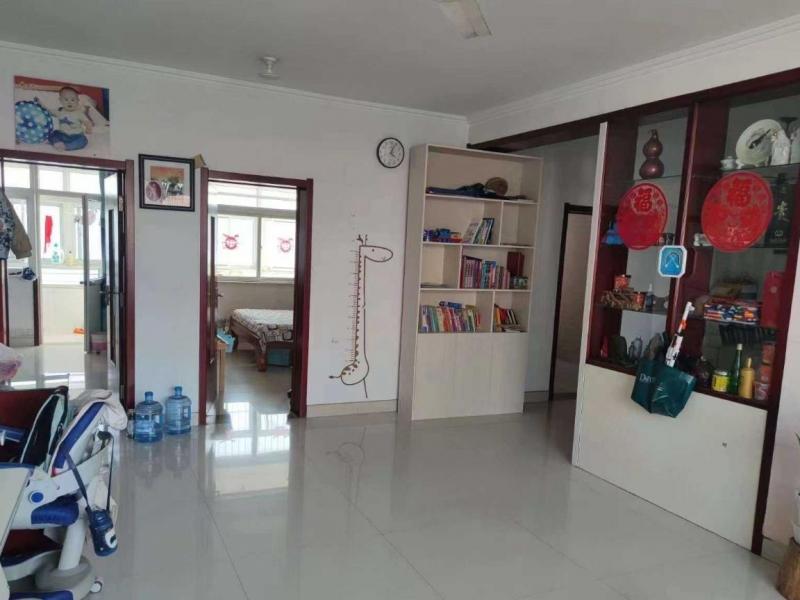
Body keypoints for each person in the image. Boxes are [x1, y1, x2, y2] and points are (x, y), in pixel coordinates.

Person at [47, 86, 93, 151]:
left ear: (78, 101)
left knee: (83, 140)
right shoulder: (60, 111)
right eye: (66, 100)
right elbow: (48, 111)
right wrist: (41, 104)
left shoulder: (79, 113)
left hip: (76, 136)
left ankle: (66, 146)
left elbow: (87, 122)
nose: (69, 102)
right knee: (53, 133)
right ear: (60, 100)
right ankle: (57, 142)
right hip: (62, 134)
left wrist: (88, 129)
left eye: (73, 100)